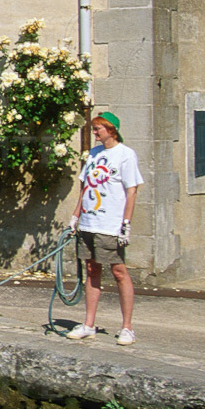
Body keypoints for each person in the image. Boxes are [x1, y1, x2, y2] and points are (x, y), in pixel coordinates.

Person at [66, 111, 144, 345]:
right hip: (89, 222)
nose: (95, 132)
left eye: (98, 128)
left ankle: (127, 327)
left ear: (111, 130)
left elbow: (132, 190)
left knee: (119, 271)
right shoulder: (93, 155)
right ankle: (89, 324)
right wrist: (75, 215)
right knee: (92, 270)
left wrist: (126, 223)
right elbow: (85, 187)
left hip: (110, 224)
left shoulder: (125, 155)